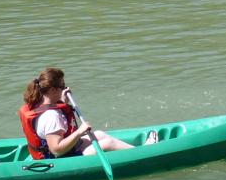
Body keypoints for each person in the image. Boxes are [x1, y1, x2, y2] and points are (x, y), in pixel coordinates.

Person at [18, 67, 155, 160]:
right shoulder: (51, 117)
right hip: (61, 158)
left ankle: (137, 151)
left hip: (65, 152)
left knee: (100, 134)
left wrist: (63, 100)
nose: (65, 87)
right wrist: (79, 132)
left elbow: (53, 106)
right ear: (53, 90)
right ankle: (145, 155)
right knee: (107, 144)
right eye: (62, 86)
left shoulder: (40, 102)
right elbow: (56, 150)